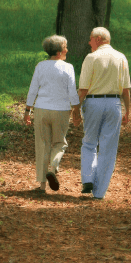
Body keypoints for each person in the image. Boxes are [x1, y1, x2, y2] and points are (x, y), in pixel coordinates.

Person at [73, 27, 131, 200]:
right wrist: (127, 111)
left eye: (91, 39)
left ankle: (88, 179)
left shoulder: (92, 58)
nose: (89, 42)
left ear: (98, 39)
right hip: (114, 103)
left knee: (89, 143)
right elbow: (126, 90)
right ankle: (99, 192)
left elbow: (83, 89)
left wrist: (75, 110)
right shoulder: (121, 57)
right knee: (108, 148)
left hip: (93, 102)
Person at [24, 35, 81, 194]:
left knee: (42, 145)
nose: (67, 50)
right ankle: (53, 167)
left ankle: (42, 186)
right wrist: (76, 110)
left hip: (41, 109)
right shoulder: (68, 67)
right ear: (59, 51)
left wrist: (27, 111)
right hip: (61, 110)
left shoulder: (40, 66)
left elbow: (33, 90)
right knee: (59, 143)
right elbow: (72, 92)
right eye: (65, 47)